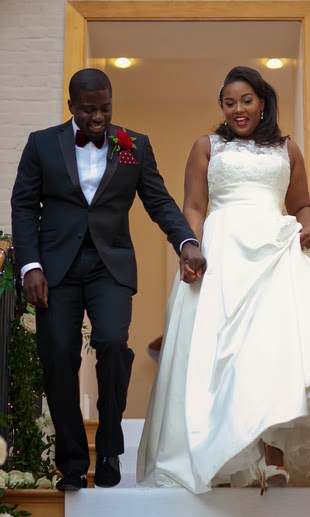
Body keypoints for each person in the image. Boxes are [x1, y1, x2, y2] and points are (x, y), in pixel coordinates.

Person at [136, 66, 310, 494]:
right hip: (222, 255)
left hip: (274, 255)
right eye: (229, 102)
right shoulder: (207, 146)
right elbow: (194, 206)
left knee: (273, 351)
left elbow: (302, 204)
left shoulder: (288, 149)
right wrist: (189, 247)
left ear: (262, 102)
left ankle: (274, 455)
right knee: (222, 355)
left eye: (246, 100)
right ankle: (221, 457)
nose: (238, 109)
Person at [11, 68, 206, 491]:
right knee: (58, 355)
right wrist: (30, 267)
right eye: (88, 110)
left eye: (105, 108)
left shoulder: (134, 145)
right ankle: (72, 464)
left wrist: (186, 242)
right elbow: (23, 206)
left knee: (114, 343)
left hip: (110, 266)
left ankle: (110, 448)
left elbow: (158, 201)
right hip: (55, 269)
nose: (98, 118)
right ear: (71, 107)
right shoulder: (41, 144)